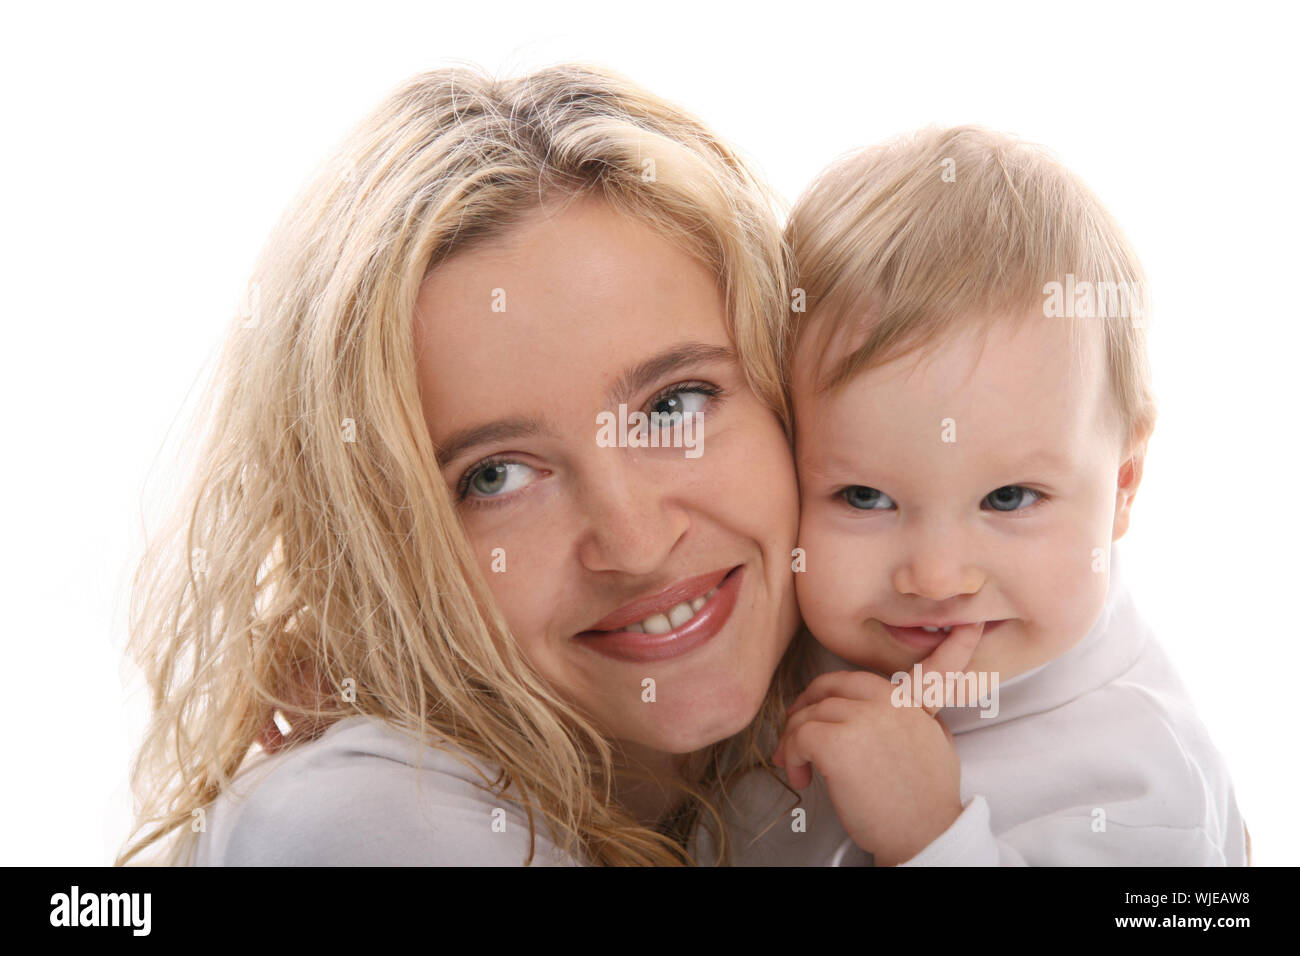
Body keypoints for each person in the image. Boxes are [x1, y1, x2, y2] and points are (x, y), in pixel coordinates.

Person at [115, 62, 850, 866]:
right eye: (494, 476)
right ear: (381, 546)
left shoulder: (880, 724)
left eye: (674, 407)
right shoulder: (355, 817)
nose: (635, 543)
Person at [773, 125, 1248, 865]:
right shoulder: (779, 649)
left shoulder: (1146, 786)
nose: (934, 579)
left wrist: (930, 839)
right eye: (864, 497)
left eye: (1008, 498)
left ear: (1123, 482)